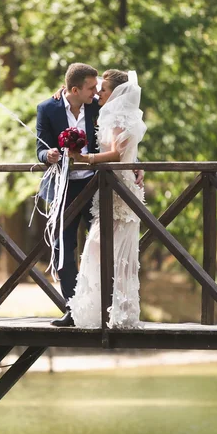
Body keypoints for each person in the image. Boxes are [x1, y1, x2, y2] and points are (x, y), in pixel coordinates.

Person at [36, 63, 144, 327]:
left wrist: (136, 162)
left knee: (100, 246)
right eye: (91, 87)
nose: (96, 92)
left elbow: (122, 138)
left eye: (98, 88)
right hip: (63, 187)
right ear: (74, 89)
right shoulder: (47, 108)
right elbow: (39, 147)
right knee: (63, 247)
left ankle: (107, 310)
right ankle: (73, 310)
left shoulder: (99, 104)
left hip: (97, 186)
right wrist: (47, 155)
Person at [67, 69, 146, 328]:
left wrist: (85, 159)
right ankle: (109, 311)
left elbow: (116, 153)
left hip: (119, 190)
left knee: (107, 249)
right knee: (110, 249)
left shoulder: (118, 116)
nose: (99, 92)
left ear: (116, 94)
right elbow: (126, 154)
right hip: (115, 187)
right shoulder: (116, 114)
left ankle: (113, 313)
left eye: (103, 90)